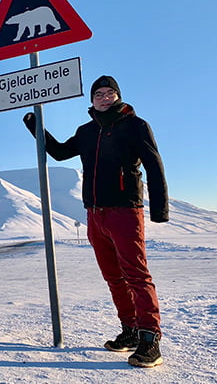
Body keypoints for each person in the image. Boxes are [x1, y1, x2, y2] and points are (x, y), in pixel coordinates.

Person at [23, 75, 168, 368]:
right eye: (98, 94)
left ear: (118, 96)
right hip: (94, 213)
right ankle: (129, 330)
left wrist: (159, 210)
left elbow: (153, 164)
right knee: (113, 276)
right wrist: (35, 126)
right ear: (91, 100)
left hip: (125, 211)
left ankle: (150, 340)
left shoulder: (135, 126)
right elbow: (62, 152)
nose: (104, 97)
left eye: (109, 93)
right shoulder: (86, 131)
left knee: (136, 275)